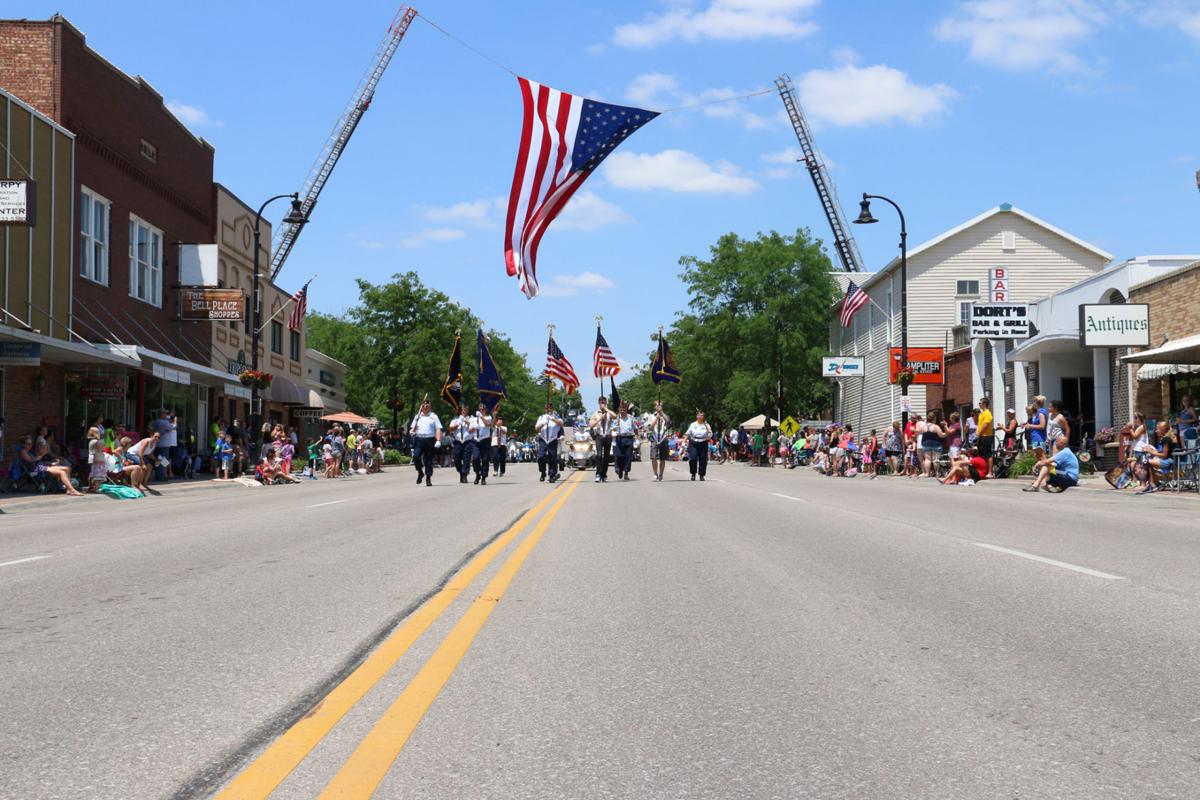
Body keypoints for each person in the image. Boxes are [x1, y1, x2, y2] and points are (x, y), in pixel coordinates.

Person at [409, 399, 443, 487]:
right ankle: (420, 472)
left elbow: (438, 429)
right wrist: (411, 431)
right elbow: (413, 428)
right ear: (422, 406)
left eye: (427, 406)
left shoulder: (434, 416)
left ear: (430, 406)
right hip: (419, 439)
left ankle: (428, 477)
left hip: (430, 440)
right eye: (424, 406)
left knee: (428, 461)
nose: (425, 407)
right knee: (416, 457)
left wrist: (438, 440)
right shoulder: (417, 416)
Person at [1140, 420, 1177, 493]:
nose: (1156, 431)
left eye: (1158, 429)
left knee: (1146, 462)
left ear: (1162, 430)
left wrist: (1151, 451)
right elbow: (1162, 452)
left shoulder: (1166, 439)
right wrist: (1150, 450)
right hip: (1167, 460)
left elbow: (1164, 455)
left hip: (1168, 461)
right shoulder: (1165, 438)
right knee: (1146, 462)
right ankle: (1156, 484)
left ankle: (1153, 484)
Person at [590, 396, 617, 483]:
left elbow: (615, 416)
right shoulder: (595, 413)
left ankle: (604, 475)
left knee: (606, 457)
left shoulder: (608, 413)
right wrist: (600, 419)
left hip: (608, 436)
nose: (602, 404)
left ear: (606, 403)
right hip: (599, 436)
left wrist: (606, 409)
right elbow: (591, 425)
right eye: (601, 402)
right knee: (599, 455)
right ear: (598, 403)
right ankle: (598, 474)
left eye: (604, 402)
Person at [448, 404, 477, 485]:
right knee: (456, 458)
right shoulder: (455, 420)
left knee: (466, 459)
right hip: (458, 442)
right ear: (461, 411)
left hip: (467, 442)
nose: (464, 411)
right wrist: (457, 424)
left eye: (466, 410)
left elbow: (474, 429)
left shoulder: (471, 419)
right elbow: (450, 430)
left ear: (468, 411)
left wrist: (467, 422)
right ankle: (460, 472)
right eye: (463, 410)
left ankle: (464, 475)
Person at [535, 403, 563, 483]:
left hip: (552, 439)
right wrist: (543, 423)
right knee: (541, 457)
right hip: (543, 439)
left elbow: (560, 423)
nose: (548, 410)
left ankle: (551, 475)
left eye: (550, 408)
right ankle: (543, 472)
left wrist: (551, 419)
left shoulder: (556, 417)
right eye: (547, 408)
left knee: (552, 458)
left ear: (552, 409)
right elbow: (536, 429)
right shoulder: (541, 417)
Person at [646, 402, 670, 482]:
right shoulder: (651, 416)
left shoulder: (665, 415)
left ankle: (661, 475)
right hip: (654, 438)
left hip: (663, 438)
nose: (658, 406)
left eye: (660, 405)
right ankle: (655, 474)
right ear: (655, 407)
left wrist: (662, 413)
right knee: (653, 457)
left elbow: (668, 422)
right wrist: (656, 418)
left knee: (662, 458)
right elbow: (650, 427)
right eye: (657, 405)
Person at [685, 410, 712, 481]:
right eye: (699, 415)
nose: (700, 416)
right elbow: (687, 433)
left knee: (703, 460)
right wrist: (684, 439)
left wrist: (706, 427)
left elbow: (710, 433)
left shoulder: (706, 424)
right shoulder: (693, 424)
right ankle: (693, 474)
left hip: (703, 442)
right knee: (693, 458)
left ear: (703, 417)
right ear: (696, 416)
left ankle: (702, 475)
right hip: (694, 442)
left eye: (702, 415)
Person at [470, 403, 494, 485]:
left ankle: (483, 477)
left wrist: (481, 416)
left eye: (482, 409)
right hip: (475, 441)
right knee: (475, 459)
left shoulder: (488, 417)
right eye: (479, 409)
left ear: (485, 410)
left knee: (485, 459)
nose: (481, 411)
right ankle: (477, 474)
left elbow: (488, 424)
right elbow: (470, 430)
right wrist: (474, 427)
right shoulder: (473, 419)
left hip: (485, 440)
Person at [613, 403, 637, 480]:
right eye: (621, 409)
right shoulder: (616, 418)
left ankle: (626, 472)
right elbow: (613, 428)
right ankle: (619, 469)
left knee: (628, 456)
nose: (622, 411)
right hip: (620, 438)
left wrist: (637, 436)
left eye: (624, 409)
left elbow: (635, 428)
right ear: (619, 410)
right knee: (619, 455)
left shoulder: (631, 418)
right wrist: (616, 425)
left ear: (626, 410)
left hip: (629, 438)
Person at [977, 397, 995, 473]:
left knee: (988, 454)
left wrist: (980, 433)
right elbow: (980, 425)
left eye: (980, 403)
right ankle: (983, 471)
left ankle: (990, 472)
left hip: (987, 436)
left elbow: (986, 425)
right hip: (981, 436)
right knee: (982, 454)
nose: (979, 404)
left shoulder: (987, 413)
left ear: (984, 404)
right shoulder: (981, 413)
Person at [86, 426, 106, 493]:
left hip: (93, 458)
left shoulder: (92, 441)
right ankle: (95, 488)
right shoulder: (96, 441)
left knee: (92, 473)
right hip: (97, 459)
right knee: (97, 474)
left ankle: (91, 487)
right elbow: (101, 448)